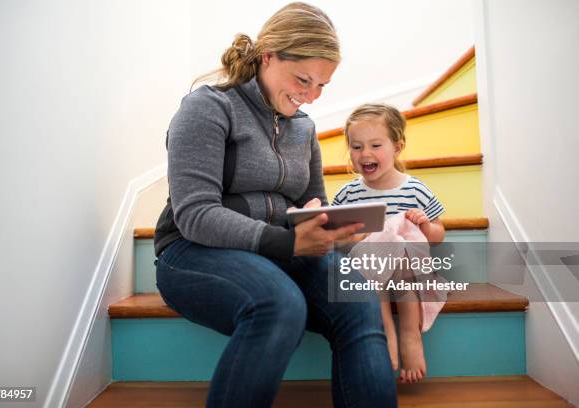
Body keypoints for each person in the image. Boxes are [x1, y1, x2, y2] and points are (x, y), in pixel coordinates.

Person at [154, 3, 397, 407]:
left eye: (323, 86)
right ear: (268, 56)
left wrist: (334, 229)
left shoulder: (304, 128)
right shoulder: (208, 108)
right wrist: (288, 244)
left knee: (356, 295)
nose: (312, 97)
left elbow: (312, 203)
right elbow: (196, 215)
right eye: (304, 79)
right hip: (193, 251)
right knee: (279, 303)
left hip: (282, 248)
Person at [332, 103, 446, 383]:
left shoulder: (414, 188)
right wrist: (350, 238)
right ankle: (386, 331)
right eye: (356, 147)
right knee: (373, 256)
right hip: (370, 270)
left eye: (375, 145)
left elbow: (437, 234)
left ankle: (409, 333)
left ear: (397, 147)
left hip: (407, 268)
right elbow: (337, 238)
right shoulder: (348, 194)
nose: (365, 154)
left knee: (400, 242)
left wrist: (424, 225)